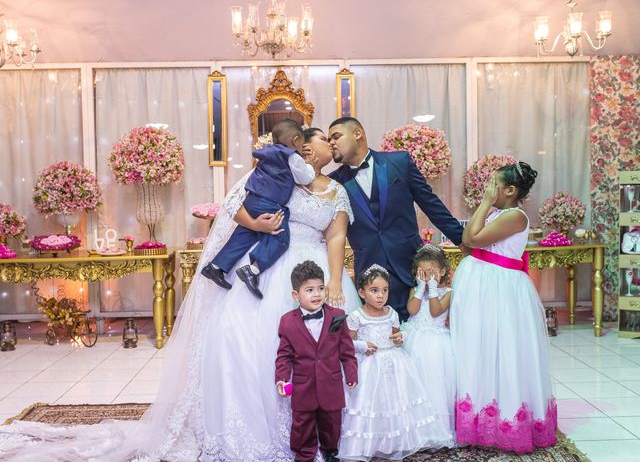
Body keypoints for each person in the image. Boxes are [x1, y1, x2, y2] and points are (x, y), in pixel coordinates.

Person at [0, 128, 360, 462]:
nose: (329, 145)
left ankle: (324, 430)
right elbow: (236, 205)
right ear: (306, 146)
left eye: (332, 139)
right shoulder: (280, 172)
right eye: (323, 139)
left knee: (327, 348)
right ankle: (256, 424)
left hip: (314, 270)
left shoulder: (336, 190)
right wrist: (257, 224)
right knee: (242, 340)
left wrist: (333, 279)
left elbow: (335, 236)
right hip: (269, 262)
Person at [450, 161, 557, 454]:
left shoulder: (515, 216)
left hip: (500, 289)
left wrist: (483, 205)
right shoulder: (497, 213)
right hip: (483, 284)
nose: (487, 190)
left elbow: (471, 238)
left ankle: (507, 419)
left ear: (509, 191)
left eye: (492, 185)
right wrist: (484, 209)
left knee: (503, 348)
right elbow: (467, 244)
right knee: (478, 348)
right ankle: (478, 417)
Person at [328, 117, 464, 321]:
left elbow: (430, 203)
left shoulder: (399, 162)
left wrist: (463, 240)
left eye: (336, 136)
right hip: (369, 272)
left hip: (410, 265)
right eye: (328, 139)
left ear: (358, 134)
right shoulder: (334, 182)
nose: (331, 143)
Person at [338, 265, 451, 461]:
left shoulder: (391, 313)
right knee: (373, 402)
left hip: (394, 363)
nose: (380, 296)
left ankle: (398, 441)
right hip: (369, 365)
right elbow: (347, 343)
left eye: (384, 290)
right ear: (362, 292)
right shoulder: (357, 316)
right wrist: (362, 345)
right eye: (374, 291)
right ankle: (371, 442)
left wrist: (400, 337)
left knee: (395, 402)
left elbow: (395, 336)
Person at [201, 118, 315, 299]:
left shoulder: (266, 154)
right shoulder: (292, 156)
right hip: (270, 203)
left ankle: (216, 267)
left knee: (244, 234)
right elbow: (305, 178)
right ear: (295, 141)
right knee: (280, 237)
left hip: (252, 200)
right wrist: (308, 163)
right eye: (302, 142)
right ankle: (253, 270)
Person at [275, 260, 358, 462]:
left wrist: (351, 373)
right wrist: (281, 378)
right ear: (296, 295)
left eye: (320, 288)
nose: (317, 294)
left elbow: (347, 351)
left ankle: (330, 452)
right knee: (302, 423)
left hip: (331, 383)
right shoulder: (287, 321)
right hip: (304, 386)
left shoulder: (337, 316)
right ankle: (304, 454)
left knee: (332, 421)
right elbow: (284, 355)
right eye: (309, 290)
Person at [401, 244, 456, 443]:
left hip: (436, 345)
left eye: (431, 272)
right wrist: (420, 289)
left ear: (442, 271)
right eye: (422, 272)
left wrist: (432, 289)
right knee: (415, 384)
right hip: (414, 341)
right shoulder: (414, 290)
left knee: (434, 384)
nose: (426, 276)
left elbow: (435, 311)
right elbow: (412, 310)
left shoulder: (448, 292)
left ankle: (437, 431)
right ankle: (415, 429)